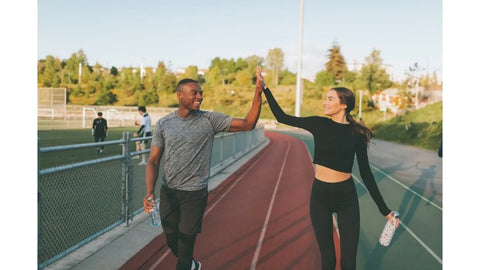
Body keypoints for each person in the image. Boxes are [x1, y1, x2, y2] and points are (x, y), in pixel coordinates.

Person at [261, 83, 399, 270]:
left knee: (348, 264)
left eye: (330, 99)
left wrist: (385, 210)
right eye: (325, 98)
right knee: (328, 260)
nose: (324, 102)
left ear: (344, 105)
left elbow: (366, 174)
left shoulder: (356, 133)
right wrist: (266, 89)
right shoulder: (319, 124)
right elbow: (282, 117)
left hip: (346, 198)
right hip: (320, 197)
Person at [143, 66, 264, 270]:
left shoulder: (210, 120)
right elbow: (153, 160)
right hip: (169, 192)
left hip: (194, 194)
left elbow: (248, 124)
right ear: (180, 95)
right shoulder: (164, 124)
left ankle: (187, 264)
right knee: (172, 241)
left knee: (185, 247)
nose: (200, 96)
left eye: (201, 93)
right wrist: (149, 193)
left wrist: (257, 94)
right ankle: (192, 265)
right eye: (194, 93)